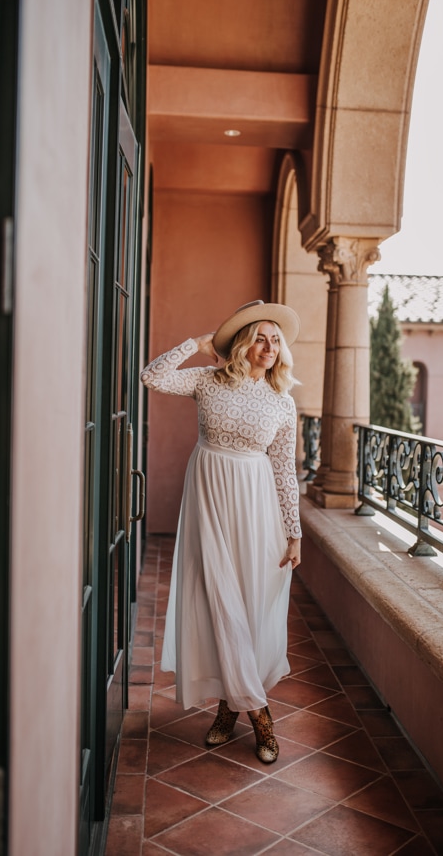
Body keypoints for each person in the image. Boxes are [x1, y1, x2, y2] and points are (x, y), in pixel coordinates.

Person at [140, 300, 302, 764]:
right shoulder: (208, 381)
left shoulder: (282, 402)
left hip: (258, 510)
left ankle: (231, 711)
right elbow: (153, 376)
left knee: (249, 609)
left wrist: (294, 533)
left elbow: (284, 470)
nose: (269, 347)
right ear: (243, 342)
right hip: (209, 503)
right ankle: (262, 720)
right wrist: (198, 343)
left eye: (276, 340)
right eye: (261, 338)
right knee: (220, 605)